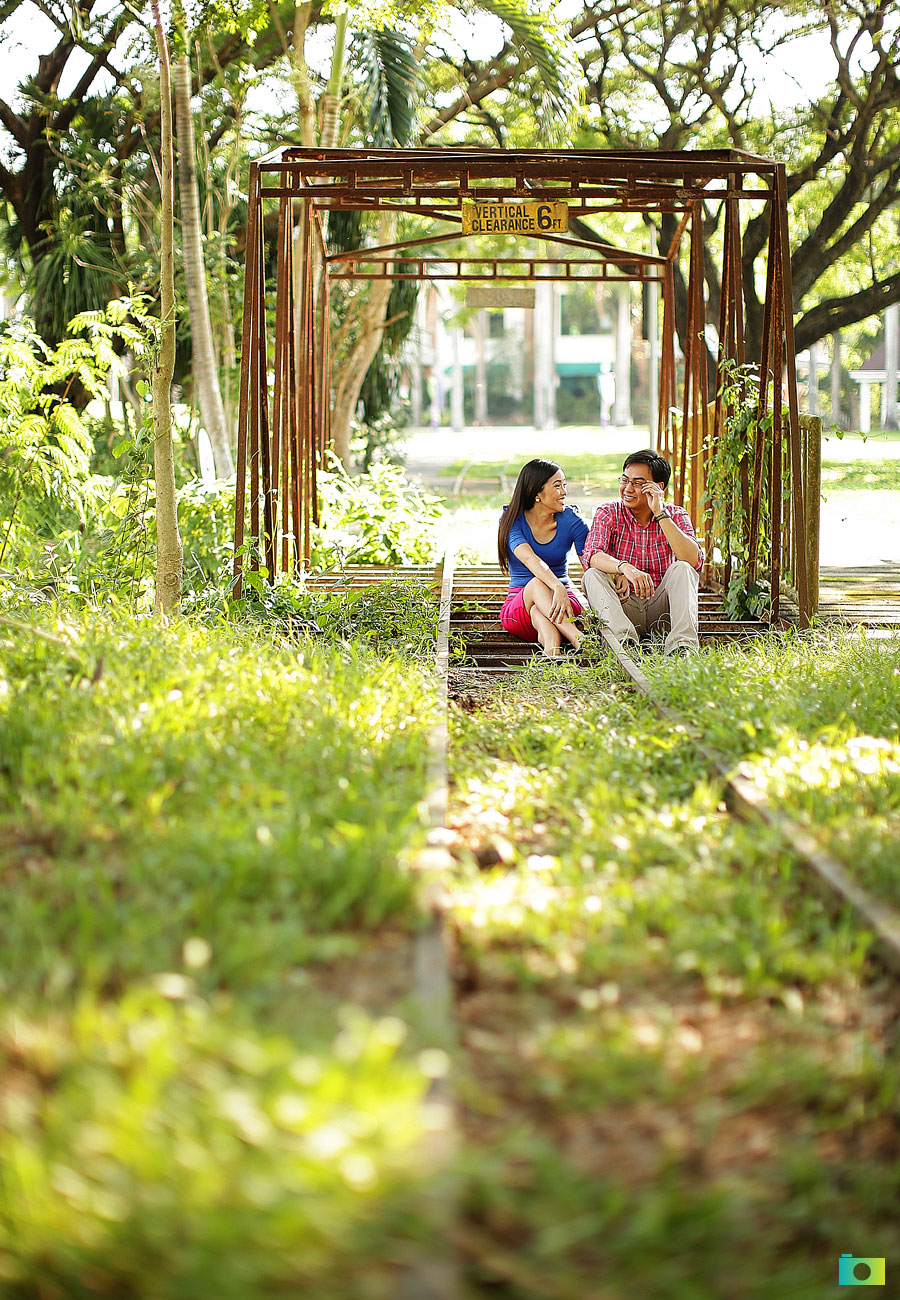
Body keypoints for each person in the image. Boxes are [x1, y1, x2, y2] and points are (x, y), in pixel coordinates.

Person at [581, 449, 703, 655]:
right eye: (625, 480)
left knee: (683, 568)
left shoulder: (676, 514)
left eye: (638, 483)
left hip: (662, 611)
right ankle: (624, 645)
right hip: (623, 607)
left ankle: (683, 647)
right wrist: (623, 568)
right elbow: (592, 555)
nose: (628, 488)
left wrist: (659, 512)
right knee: (592, 575)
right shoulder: (609, 512)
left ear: (658, 487)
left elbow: (693, 560)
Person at [498, 458, 588, 658]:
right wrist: (556, 585)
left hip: (564, 605)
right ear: (537, 492)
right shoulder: (513, 520)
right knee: (537, 585)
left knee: (540, 610)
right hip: (520, 607)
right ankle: (579, 639)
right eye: (557, 486)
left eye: (564, 485)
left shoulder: (572, 520)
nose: (564, 491)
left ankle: (551, 650)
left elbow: (589, 562)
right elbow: (529, 559)